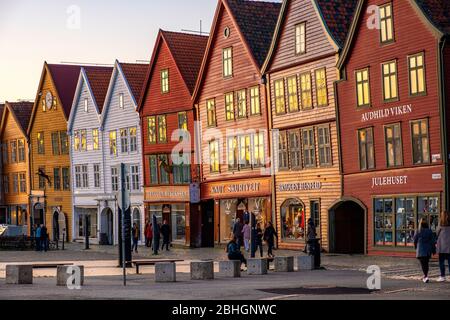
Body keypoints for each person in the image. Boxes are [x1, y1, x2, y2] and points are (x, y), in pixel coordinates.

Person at [414, 218, 436, 283]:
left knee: (423, 264)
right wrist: (433, 250)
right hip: (427, 251)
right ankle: (425, 275)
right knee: (426, 263)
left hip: (420, 250)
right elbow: (432, 242)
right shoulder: (429, 231)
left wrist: (416, 248)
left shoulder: (418, 231)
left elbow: (415, 241)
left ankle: (425, 276)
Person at [437, 211, 450, 282]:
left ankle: (442, 276)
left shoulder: (440, 223)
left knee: (441, 262)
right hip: (449, 246)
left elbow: (437, 232)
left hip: (442, 246)